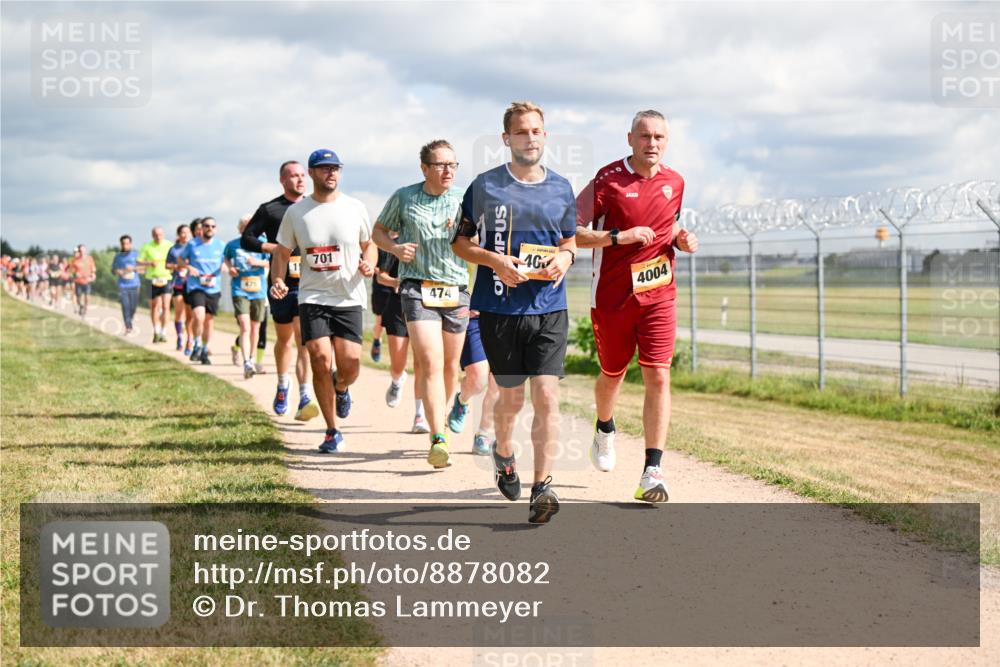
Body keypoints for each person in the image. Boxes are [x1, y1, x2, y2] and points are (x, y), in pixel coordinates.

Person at [452, 101, 577, 523]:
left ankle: (543, 487)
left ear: (545, 136)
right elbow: (460, 243)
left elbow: (570, 241)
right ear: (507, 139)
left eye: (537, 131)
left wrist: (565, 259)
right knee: (511, 398)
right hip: (499, 309)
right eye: (522, 132)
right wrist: (495, 261)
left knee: (546, 393)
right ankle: (504, 455)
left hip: (549, 307)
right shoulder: (484, 186)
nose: (530, 138)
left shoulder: (561, 187)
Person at [574, 109, 699, 503]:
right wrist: (618, 236)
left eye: (660, 137)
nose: (653, 144)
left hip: (659, 294)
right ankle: (605, 427)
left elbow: (670, 224)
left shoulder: (675, 182)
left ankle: (652, 472)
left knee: (659, 375)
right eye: (645, 137)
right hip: (612, 298)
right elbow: (571, 233)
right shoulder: (607, 180)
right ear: (630, 139)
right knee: (613, 374)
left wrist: (681, 238)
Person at [270, 148, 376, 452]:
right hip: (312, 296)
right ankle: (332, 430)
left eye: (336, 168)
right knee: (318, 358)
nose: (331, 173)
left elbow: (368, 245)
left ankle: (341, 387)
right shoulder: (297, 212)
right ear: (312, 172)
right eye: (325, 168)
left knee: (350, 365)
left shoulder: (355, 207)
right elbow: (281, 251)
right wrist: (278, 279)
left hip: (348, 296)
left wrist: (368, 262)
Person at [373, 139, 471, 468]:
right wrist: (396, 250)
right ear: (425, 168)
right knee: (429, 361)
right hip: (417, 287)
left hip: (455, 288)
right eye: (441, 165)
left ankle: (444, 414)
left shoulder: (465, 199)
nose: (448, 171)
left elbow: (480, 239)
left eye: (453, 165)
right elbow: (379, 231)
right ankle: (438, 436)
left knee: (450, 366)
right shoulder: (404, 196)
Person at [242, 161, 319, 422]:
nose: (300, 180)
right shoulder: (270, 209)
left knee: (303, 341)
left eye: (302, 175)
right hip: (280, 283)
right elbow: (248, 238)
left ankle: (305, 394)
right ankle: (283, 384)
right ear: (282, 180)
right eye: (293, 176)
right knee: (284, 339)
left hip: (307, 283)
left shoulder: (314, 206)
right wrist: (274, 249)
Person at [374, 240, 429, 433]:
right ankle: (397, 380)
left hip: (425, 307)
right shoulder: (395, 245)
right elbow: (381, 276)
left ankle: (419, 415)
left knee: (421, 363)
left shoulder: (430, 244)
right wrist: (399, 282)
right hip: (397, 307)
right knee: (398, 364)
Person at [224, 215, 270, 379]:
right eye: (245, 225)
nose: (249, 228)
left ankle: (251, 357)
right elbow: (226, 259)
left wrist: (257, 263)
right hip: (239, 288)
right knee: (245, 326)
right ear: (240, 228)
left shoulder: (263, 244)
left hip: (258, 289)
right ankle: (247, 363)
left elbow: (274, 261)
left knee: (255, 328)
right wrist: (230, 268)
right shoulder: (232, 245)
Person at [179, 216, 225, 365]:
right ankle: (196, 343)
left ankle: (205, 349)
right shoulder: (192, 244)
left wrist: (226, 267)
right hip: (196, 287)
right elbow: (180, 259)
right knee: (198, 316)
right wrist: (188, 267)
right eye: (206, 226)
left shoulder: (221, 245)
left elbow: (227, 262)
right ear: (202, 228)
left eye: (212, 226)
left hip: (213, 287)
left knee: (208, 321)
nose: (209, 228)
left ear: (215, 229)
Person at [136, 226, 174, 343]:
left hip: (166, 278)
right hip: (151, 279)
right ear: (152, 235)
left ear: (163, 234)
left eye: (160, 234)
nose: (158, 237)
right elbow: (139, 261)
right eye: (156, 235)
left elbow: (176, 258)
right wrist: (149, 263)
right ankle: (156, 331)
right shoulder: (147, 247)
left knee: (166, 306)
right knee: (154, 307)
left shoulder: (169, 245)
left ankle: (164, 332)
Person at [166, 223, 193, 352]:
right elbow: (167, 265)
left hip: (192, 284)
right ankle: (180, 337)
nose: (185, 235)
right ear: (179, 235)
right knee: (178, 311)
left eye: (188, 232)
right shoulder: (174, 249)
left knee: (190, 314)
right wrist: (177, 267)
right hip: (178, 283)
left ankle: (190, 339)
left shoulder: (194, 247)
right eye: (183, 232)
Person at [112, 235, 141, 335]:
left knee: (133, 307)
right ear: (121, 244)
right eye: (123, 243)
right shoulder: (118, 256)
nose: (125, 245)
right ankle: (128, 326)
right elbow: (113, 270)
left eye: (127, 243)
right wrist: (118, 271)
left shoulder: (136, 255)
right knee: (125, 306)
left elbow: (143, 269)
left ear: (131, 244)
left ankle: (130, 320)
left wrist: (133, 268)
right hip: (123, 285)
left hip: (134, 285)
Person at [69, 244, 97, 317]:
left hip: (87, 281)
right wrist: (75, 274)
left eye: (83, 250)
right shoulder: (75, 260)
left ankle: (85, 309)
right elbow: (71, 271)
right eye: (81, 250)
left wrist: (93, 275)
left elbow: (93, 268)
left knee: (87, 297)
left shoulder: (90, 258)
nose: (82, 252)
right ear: (79, 251)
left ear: (85, 250)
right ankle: (81, 306)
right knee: (78, 297)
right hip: (78, 281)